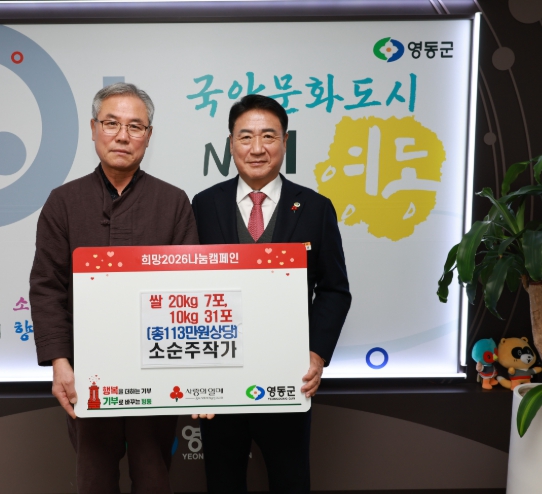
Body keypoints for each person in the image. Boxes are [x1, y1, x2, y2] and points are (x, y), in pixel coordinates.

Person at [29, 82, 199, 494]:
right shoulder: (63, 202)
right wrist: (60, 362)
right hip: (87, 371)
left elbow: (190, 291)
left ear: (148, 136)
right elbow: (47, 287)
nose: (122, 136)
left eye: (135, 126)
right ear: (93, 128)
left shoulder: (173, 202)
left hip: (157, 368)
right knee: (94, 478)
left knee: (154, 476)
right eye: (111, 123)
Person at [191, 94, 351, 494]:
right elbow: (187, 290)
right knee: (222, 483)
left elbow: (334, 289)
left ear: (285, 142)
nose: (257, 148)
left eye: (268, 136)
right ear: (231, 144)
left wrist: (316, 354)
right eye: (246, 137)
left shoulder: (315, 207)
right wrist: (191, 374)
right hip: (219, 378)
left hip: (288, 377)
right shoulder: (204, 205)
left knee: (291, 480)